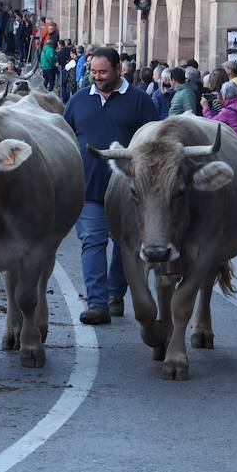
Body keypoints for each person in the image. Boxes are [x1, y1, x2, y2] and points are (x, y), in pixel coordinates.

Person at [64, 47, 161, 324]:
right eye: (93, 72)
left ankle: (115, 294)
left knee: (125, 246)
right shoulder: (79, 100)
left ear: (120, 69)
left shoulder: (141, 102)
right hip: (89, 188)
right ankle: (97, 303)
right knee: (92, 243)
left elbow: (154, 146)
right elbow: (66, 135)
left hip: (129, 192)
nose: (97, 77)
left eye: (103, 72)